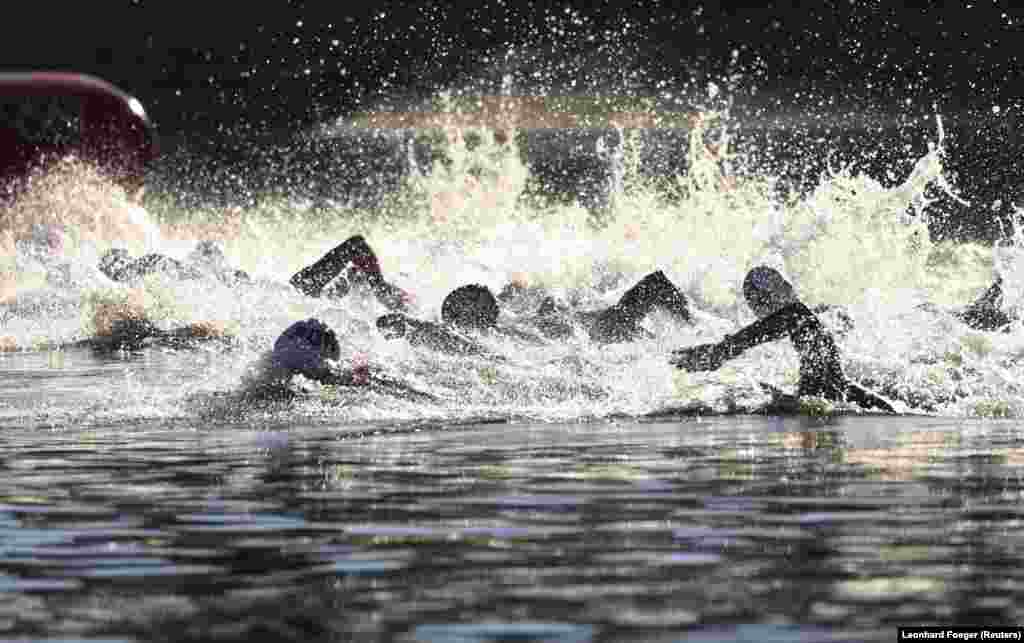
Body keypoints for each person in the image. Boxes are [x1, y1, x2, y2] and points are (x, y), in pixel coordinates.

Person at [670, 266, 896, 413]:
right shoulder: (809, 326)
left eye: (755, 301)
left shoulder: (801, 317)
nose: (755, 309)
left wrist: (723, 350)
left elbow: (792, 315)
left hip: (846, 407)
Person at [250, 318, 434, 401]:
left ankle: (411, 392)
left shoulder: (279, 351)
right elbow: (329, 379)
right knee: (357, 381)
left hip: (281, 355)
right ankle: (413, 394)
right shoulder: (312, 357)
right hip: (303, 355)